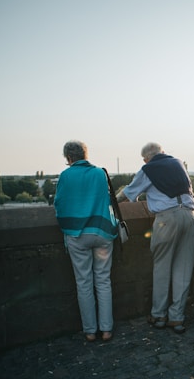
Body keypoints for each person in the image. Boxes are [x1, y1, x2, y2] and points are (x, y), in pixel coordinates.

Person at [117, 142, 194, 334]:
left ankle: (159, 315)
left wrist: (110, 200)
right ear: (163, 152)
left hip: (166, 219)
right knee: (183, 270)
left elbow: (127, 194)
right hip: (190, 216)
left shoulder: (148, 169)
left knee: (162, 267)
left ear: (146, 158)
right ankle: (177, 318)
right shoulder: (178, 163)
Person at [54, 140, 117, 343]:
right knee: (103, 280)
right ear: (85, 154)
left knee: (84, 283)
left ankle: (90, 331)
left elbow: (60, 204)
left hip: (77, 234)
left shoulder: (66, 175)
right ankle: (106, 330)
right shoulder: (100, 173)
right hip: (101, 232)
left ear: (68, 158)